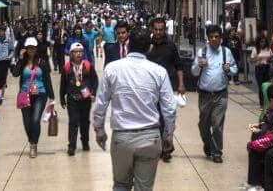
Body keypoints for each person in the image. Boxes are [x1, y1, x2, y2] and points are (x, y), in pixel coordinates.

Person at [93, 28, 177, 191]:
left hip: (122, 138)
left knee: (121, 185)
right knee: (144, 188)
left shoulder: (112, 68)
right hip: (150, 137)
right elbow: (169, 109)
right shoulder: (159, 72)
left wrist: (99, 130)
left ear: (128, 44)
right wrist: (168, 134)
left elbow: (100, 103)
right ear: (149, 47)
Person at [191, 24, 238, 163]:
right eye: (211, 37)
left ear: (221, 38)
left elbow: (235, 70)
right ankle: (208, 144)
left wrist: (229, 69)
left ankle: (217, 152)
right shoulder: (202, 52)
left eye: (216, 37)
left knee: (217, 124)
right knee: (203, 125)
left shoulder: (226, 52)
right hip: (205, 95)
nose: (214, 39)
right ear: (207, 38)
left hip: (221, 94)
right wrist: (199, 65)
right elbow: (193, 72)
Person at [147, 17, 185, 162]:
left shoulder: (170, 45)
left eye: (161, 30)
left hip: (166, 88)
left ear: (164, 29)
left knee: (167, 119)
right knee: (153, 120)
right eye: (155, 29)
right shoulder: (147, 45)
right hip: (150, 89)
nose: (158, 32)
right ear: (152, 29)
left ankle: (167, 148)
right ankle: (156, 147)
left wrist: (181, 84)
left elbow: (179, 66)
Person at [12, 37, 55, 158]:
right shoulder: (23, 62)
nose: (31, 50)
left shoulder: (42, 62)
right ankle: (32, 140)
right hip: (25, 94)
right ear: (26, 49)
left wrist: (52, 97)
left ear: (36, 49)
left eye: (33, 47)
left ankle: (33, 145)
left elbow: (47, 80)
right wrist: (20, 60)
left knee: (35, 119)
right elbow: (15, 73)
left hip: (40, 94)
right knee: (27, 121)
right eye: (29, 47)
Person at [60, 42, 99, 156]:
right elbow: (63, 84)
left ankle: (85, 142)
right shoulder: (67, 67)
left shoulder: (88, 65)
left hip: (85, 99)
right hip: (72, 98)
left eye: (80, 52)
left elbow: (95, 81)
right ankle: (71, 145)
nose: (78, 54)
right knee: (73, 122)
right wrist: (62, 98)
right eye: (76, 52)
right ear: (71, 54)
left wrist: (94, 93)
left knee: (85, 122)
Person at [246, 84, 273, 191]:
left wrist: (252, 144)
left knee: (255, 148)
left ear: (271, 100)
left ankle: (256, 184)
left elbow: (272, 137)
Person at [249, 36, 273, 104]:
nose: (263, 43)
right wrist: (257, 59)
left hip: (267, 68)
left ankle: (267, 102)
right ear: (259, 42)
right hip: (259, 69)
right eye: (261, 41)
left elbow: (271, 58)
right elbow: (251, 60)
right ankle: (262, 103)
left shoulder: (268, 49)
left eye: (264, 41)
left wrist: (269, 59)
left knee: (267, 86)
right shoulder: (255, 49)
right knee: (261, 87)